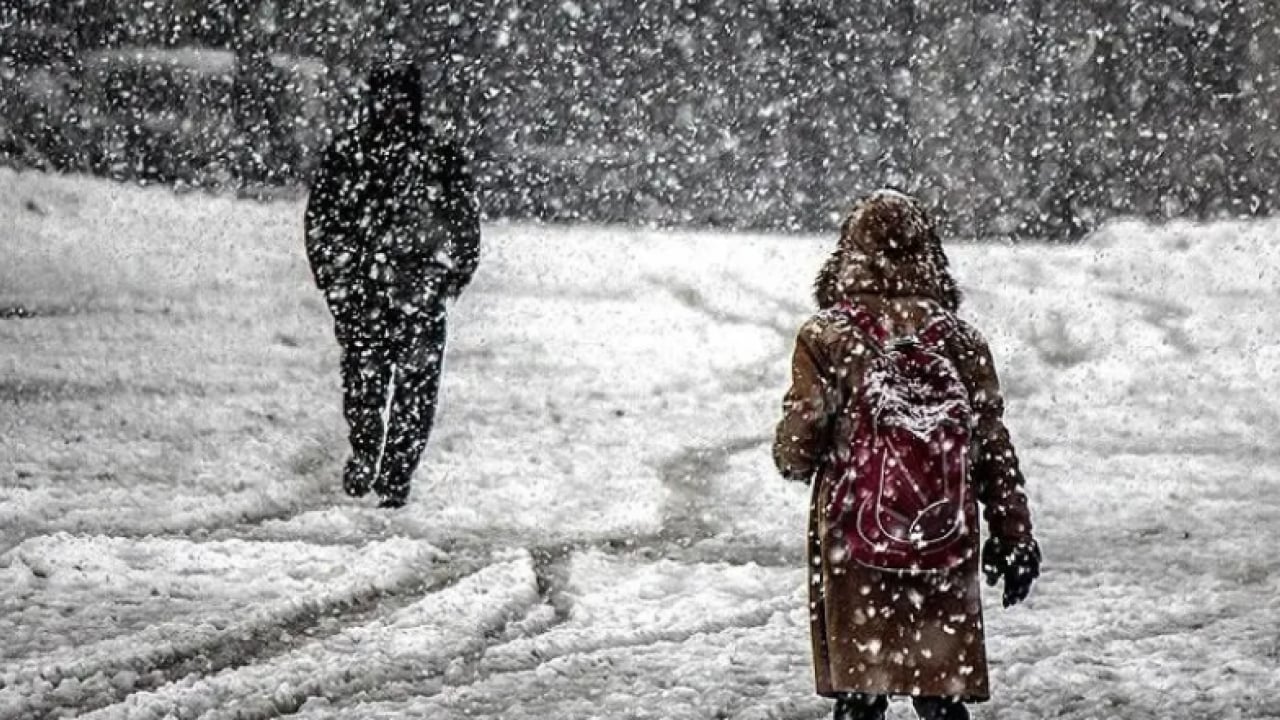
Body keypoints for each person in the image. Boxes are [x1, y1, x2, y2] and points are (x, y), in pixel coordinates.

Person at [773, 189, 1040, 720]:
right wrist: (1014, 535)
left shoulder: (828, 337)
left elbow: (801, 437)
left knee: (860, 694)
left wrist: (795, 457)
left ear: (847, 255)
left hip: (856, 533)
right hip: (943, 532)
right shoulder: (961, 342)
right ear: (930, 255)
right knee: (939, 692)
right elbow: (992, 448)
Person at [304, 63, 480, 509]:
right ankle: (384, 464)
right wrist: (451, 274)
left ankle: (380, 461)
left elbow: (322, 222)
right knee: (397, 387)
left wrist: (335, 276)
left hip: (383, 288)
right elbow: (464, 222)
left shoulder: (356, 153)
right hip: (399, 288)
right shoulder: (426, 154)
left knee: (382, 382)